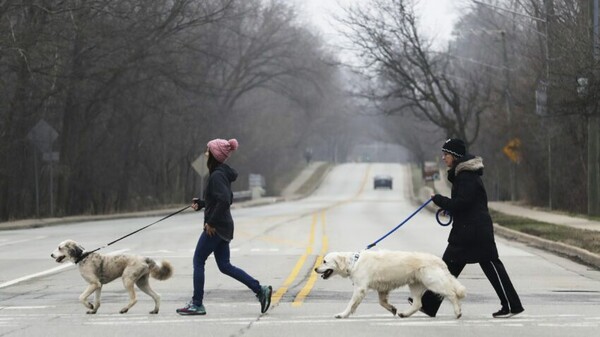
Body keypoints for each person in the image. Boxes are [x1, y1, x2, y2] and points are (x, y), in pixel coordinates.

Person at [416, 138, 524, 318]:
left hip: (476, 232)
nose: (443, 158)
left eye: (446, 154)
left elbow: (462, 204)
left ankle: (511, 305)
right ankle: (428, 304)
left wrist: (439, 200)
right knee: (448, 268)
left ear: (455, 156)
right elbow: (463, 205)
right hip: (466, 231)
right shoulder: (462, 175)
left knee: (491, 267)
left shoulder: (467, 177)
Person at [177, 138, 272, 315]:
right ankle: (260, 290)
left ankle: (197, 304)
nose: (205, 154)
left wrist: (211, 222)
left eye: (207, 151)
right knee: (225, 265)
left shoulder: (217, 176)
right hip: (224, 226)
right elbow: (221, 199)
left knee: (198, 260)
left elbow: (224, 200)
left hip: (217, 227)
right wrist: (203, 203)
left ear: (213, 154)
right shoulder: (221, 173)